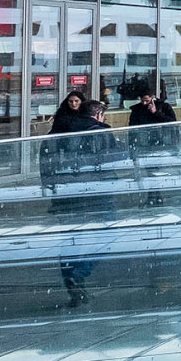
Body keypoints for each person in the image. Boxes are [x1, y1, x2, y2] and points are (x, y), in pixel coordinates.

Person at [44, 99, 117, 308]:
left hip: (66, 193)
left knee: (69, 240)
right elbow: (110, 159)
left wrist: (50, 186)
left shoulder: (60, 129)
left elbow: (47, 157)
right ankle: (80, 272)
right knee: (110, 231)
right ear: (98, 115)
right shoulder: (100, 132)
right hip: (97, 192)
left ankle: (72, 282)